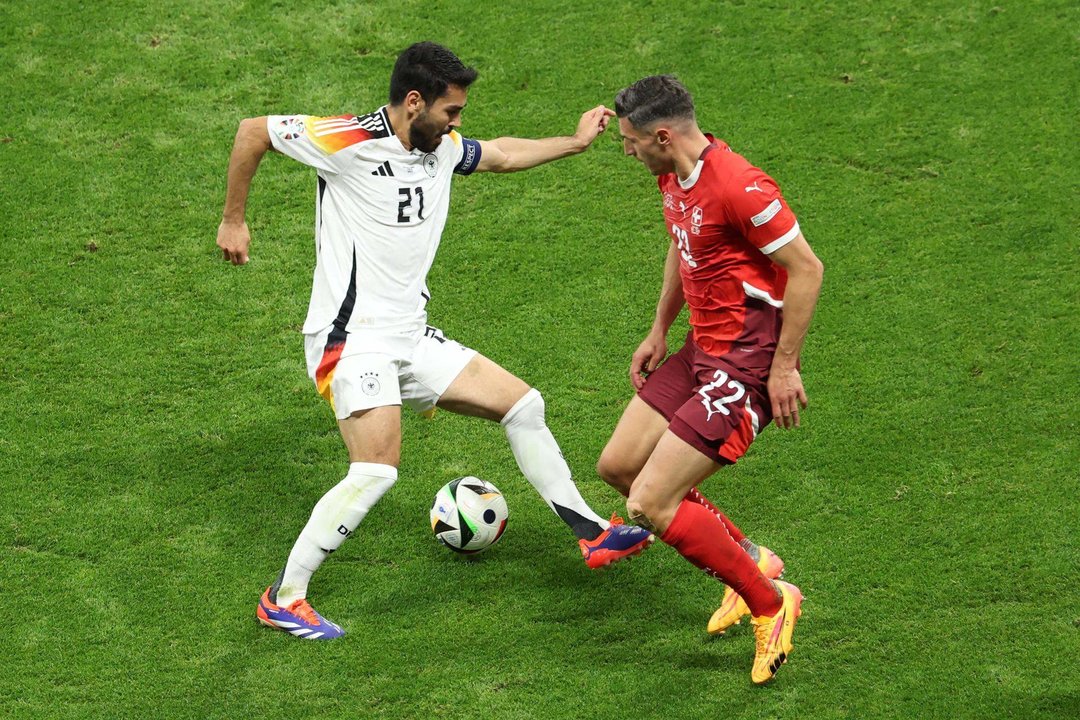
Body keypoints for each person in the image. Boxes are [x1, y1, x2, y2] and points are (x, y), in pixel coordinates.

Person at [216, 42, 653, 640]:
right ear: (413, 102)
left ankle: (590, 533)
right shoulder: (347, 140)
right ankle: (284, 598)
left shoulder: (440, 147)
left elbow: (499, 155)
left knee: (523, 405)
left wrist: (573, 143)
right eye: (451, 111)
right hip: (352, 341)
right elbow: (252, 131)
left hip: (411, 337)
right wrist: (234, 218)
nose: (458, 124)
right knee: (376, 470)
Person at [596, 75, 823, 684]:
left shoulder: (741, 187)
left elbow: (807, 270)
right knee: (618, 467)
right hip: (701, 350)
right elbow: (683, 244)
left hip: (746, 365)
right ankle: (753, 560)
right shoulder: (673, 176)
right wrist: (658, 329)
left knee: (649, 501)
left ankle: (772, 603)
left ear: (662, 136)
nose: (628, 151)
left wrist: (783, 367)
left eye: (631, 142)